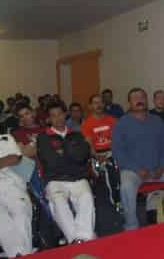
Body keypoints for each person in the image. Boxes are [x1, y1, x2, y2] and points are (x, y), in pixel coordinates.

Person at [112, 88, 164, 230]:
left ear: (146, 100)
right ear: (129, 102)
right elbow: (118, 153)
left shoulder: (157, 121)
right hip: (134, 171)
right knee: (126, 186)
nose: (139, 100)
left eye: (142, 97)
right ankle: (131, 225)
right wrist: (138, 169)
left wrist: (162, 166)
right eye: (135, 98)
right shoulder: (121, 124)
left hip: (159, 168)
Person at [37, 102, 95, 244]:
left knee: (87, 197)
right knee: (58, 202)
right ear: (49, 119)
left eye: (60, 114)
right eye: (53, 116)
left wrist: (63, 152)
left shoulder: (75, 134)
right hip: (55, 180)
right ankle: (74, 239)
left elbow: (82, 156)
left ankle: (83, 237)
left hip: (77, 177)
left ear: (65, 115)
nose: (57, 118)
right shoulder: (43, 137)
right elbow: (51, 162)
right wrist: (72, 153)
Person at [0, 133, 33, 257]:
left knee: (21, 213)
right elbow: (8, 159)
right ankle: (18, 254)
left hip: (12, 184)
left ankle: (21, 254)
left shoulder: (4, 138)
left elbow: (15, 158)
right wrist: (3, 161)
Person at [81, 94, 120, 208]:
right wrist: (97, 156)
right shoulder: (87, 124)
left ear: (104, 104)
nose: (98, 105)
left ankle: (119, 198)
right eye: (95, 103)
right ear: (90, 106)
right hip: (96, 155)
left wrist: (114, 153)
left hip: (112, 152)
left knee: (115, 165)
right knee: (109, 168)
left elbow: (117, 140)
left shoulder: (112, 120)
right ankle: (116, 200)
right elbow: (89, 145)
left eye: (100, 102)